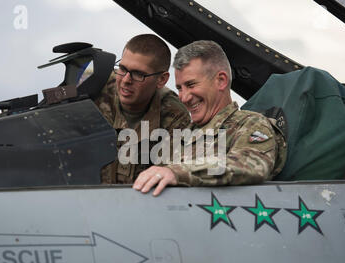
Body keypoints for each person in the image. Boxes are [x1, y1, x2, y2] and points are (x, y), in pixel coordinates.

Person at [133, 40, 287, 196]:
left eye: (191, 85)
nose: (184, 97)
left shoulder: (251, 124)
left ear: (221, 81)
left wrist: (178, 172)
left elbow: (250, 165)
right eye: (180, 88)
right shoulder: (179, 137)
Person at [93, 34, 190, 184]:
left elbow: (169, 176)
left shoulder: (173, 116)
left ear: (161, 80)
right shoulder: (94, 88)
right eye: (122, 69)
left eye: (139, 74)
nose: (126, 80)